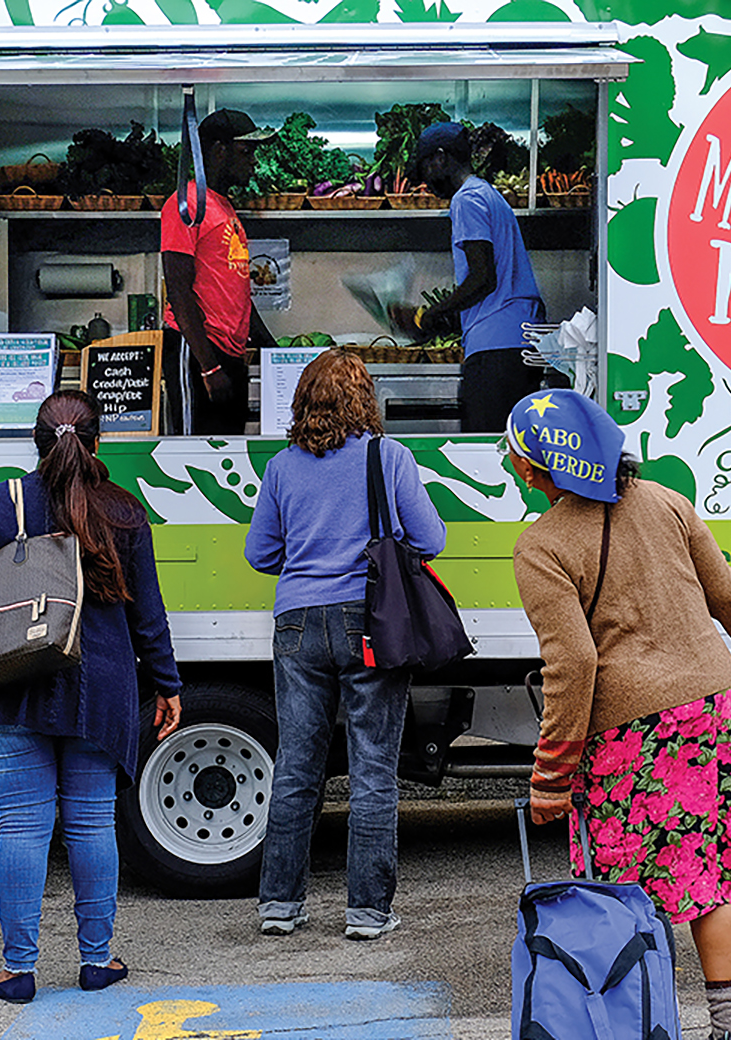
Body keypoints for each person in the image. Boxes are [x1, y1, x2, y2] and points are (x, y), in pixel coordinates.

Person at [508, 388, 731, 1040]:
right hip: (710, 712)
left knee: (624, 889)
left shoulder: (542, 546)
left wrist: (551, 775)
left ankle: (638, 1019)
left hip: (629, 732)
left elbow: (574, 664)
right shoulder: (668, 503)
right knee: (710, 872)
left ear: (537, 468)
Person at [0, 390, 183, 1004]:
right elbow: (148, 615)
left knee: (24, 827)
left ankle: (18, 969)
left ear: (34, 443)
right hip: (98, 690)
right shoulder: (123, 512)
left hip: (9, 684)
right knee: (91, 823)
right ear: (98, 442)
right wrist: (167, 684)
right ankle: (97, 960)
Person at [244, 349, 446, 940]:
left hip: (297, 623)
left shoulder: (282, 467)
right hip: (370, 620)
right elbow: (430, 539)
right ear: (365, 400)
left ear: (303, 401)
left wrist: (307, 557)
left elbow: (260, 554)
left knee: (296, 766)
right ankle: (367, 912)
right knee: (373, 768)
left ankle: (280, 905)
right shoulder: (389, 457)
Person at [393, 122, 547, 433]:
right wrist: (445, 321)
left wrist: (428, 314)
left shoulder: (466, 200)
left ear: (440, 158)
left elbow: (482, 278)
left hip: (495, 352)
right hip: (520, 345)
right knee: (512, 446)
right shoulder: (488, 194)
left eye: (425, 168)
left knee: (485, 447)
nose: (426, 181)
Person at [161, 109, 278, 436]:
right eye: (246, 152)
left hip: (230, 356)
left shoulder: (224, 208)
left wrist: (273, 350)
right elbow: (178, 291)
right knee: (195, 452)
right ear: (218, 151)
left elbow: (237, 293)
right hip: (198, 354)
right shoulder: (186, 205)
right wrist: (209, 367)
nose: (253, 162)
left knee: (231, 452)